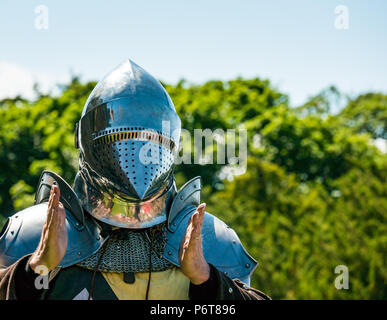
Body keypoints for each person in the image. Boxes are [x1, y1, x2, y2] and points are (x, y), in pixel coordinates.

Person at [0, 60, 270, 300]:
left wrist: (206, 279)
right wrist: (35, 269)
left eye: (151, 142)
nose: (135, 156)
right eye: (118, 140)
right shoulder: (33, 234)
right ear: (87, 140)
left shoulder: (210, 241)